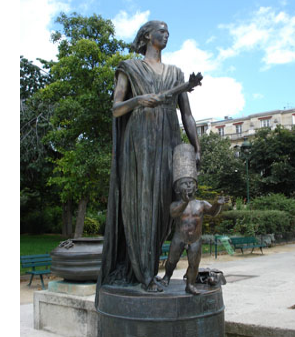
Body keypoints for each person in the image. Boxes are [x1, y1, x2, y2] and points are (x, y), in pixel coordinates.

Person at [96, 20, 201, 294]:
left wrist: (196, 146)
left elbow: (186, 115)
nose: (166, 35)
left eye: (168, 31)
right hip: (140, 142)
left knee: (165, 208)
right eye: (161, 31)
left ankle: (149, 268)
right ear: (147, 35)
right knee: (144, 205)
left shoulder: (176, 73)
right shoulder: (130, 68)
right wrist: (138, 101)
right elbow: (116, 108)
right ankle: (145, 274)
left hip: (168, 139)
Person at [159, 144, 229, 295]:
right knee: (171, 260)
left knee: (194, 263)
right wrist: (185, 201)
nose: (189, 186)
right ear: (177, 189)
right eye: (185, 183)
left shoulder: (201, 204)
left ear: (196, 187)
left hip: (195, 238)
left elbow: (212, 212)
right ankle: (167, 276)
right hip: (179, 237)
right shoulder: (176, 204)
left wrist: (217, 204)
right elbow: (174, 214)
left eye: (191, 183)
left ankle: (190, 284)